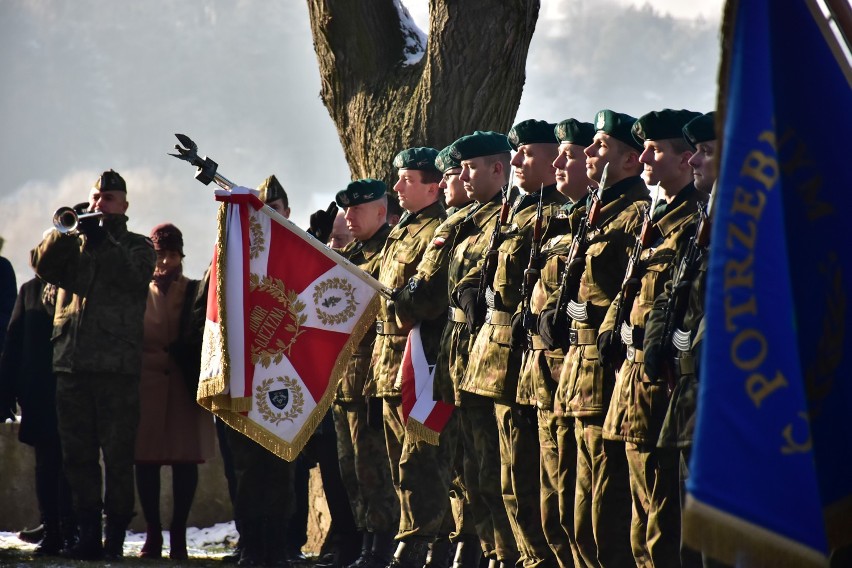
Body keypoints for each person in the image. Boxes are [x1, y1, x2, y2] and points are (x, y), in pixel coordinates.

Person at [536, 110, 650, 568]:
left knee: (603, 506)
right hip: (572, 376)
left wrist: (593, 316)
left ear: (630, 161)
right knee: (570, 503)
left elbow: (632, 297)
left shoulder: (636, 215)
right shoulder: (592, 216)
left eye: (598, 147)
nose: (586, 155)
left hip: (607, 378)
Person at [595, 109, 704, 567]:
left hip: (666, 387)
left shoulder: (694, 222)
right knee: (634, 519)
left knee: (661, 522)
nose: (644, 159)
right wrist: (611, 331)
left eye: (655, 150)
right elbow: (628, 291)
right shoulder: (656, 220)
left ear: (684, 160)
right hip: (633, 383)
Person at [30, 169, 156, 560]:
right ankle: (85, 534)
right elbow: (42, 266)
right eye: (96, 197)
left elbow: (135, 277)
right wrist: (65, 232)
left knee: (117, 457)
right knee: (77, 456)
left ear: (125, 205)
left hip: (115, 368)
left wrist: (106, 242)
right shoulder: (74, 244)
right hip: (71, 366)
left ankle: (114, 537)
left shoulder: (138, 245)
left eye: (109, 198)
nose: (101, 204)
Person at [460, 120, 566, 568]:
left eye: (527, 154)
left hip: (525, 362)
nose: (518, 160)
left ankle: (528, 558)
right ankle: (506, 557)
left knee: (524, 479)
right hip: (490, 358)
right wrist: (467, 290)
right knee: (494, 474)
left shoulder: (560, 213)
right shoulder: (515, 211)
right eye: (516, 153)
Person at [643, 111, 718, 568]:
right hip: (688, 402)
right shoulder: (703, 226)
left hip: (722, 405)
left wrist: (692, 340)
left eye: (707, 152)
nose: (694, 160)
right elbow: (669, 295)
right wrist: (659, 342)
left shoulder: (751, 229)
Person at [519, 118, 595, 567]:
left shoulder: (619, 219)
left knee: (581, 503)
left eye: (572, 155)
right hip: (548, 375)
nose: (561, 164)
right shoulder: (562, 219)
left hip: (586, 379)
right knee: (551, 495)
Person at [372, 147, 448, 568]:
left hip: (418, 361)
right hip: (388, 363)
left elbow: (424, 301)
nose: (397, 186)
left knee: (419, 461)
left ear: (433, 185)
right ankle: (407, 538)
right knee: (394, 463)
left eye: (407, 180)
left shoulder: (436, 230)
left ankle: (424, 544)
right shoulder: (402, 230)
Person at [134, 223, 216, 560]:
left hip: (183, 386)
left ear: (181, 255)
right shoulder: (138, 291)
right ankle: (153, 533)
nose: (164, 262)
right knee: (146, 462)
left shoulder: (195, 291)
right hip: (147, 387)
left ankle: (179, 533)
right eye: (159, 255)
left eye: (171, 254)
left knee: (185, 462)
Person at [331, 179, 398, 568]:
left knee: (376, 471)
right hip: (345, 382)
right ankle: (364, 544)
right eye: (346, 210)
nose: (349, 217)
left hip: (375, 380)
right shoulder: (350, 256)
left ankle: (381, 548)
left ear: (380, 211)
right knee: (352, 470)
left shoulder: (389, 253)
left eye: (357, 209)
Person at [0, 275, 76, 556]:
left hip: (72, 388)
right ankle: (52, 528)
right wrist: (6, 391)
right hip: (39, 391)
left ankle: (70, 528)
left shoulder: (80, 281)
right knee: (46, 464)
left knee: (72, 463)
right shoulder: (30, 290)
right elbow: (14, 340)